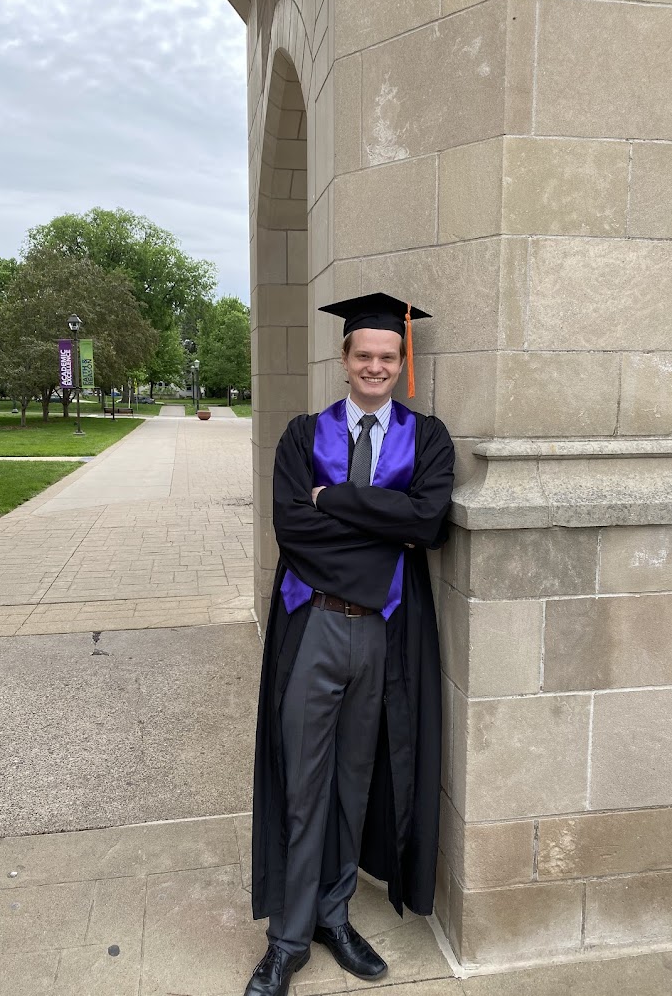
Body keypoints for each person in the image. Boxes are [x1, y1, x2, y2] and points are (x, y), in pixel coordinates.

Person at [245, 292, 455, 996]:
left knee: (353, 782)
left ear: (401, 363)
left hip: (383, 637)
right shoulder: (301, 436)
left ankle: (335, 917)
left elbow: (426, 525)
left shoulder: (427, 439)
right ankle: (287, 939)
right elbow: (291, 531)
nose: (374, 367)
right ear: (342, 360)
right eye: (362, 355)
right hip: (315, 627)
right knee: (302, 783)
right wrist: (379, 533)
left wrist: (330, 500)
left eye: (386, 357)